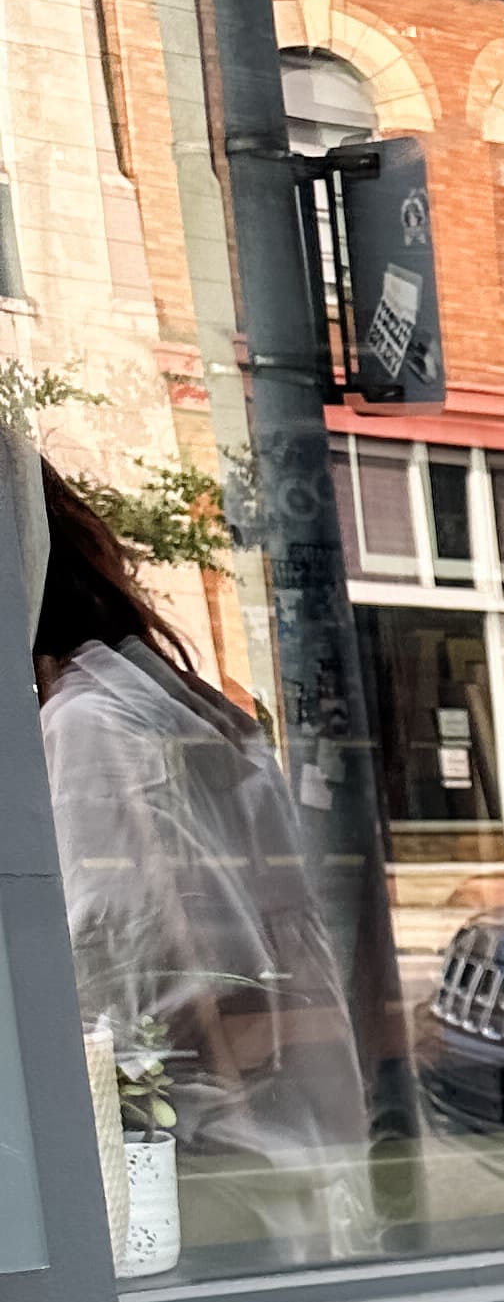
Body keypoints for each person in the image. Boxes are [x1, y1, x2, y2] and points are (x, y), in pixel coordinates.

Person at [30, 460, 370, 1259]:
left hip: (202, 1184)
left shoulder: (93, 728)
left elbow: (125, 989)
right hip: (265, 1162)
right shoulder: (164, 710)